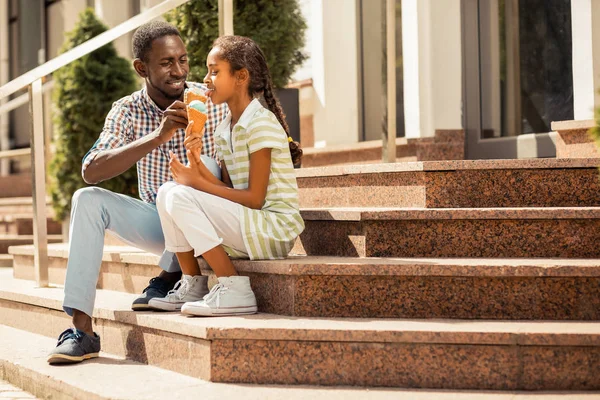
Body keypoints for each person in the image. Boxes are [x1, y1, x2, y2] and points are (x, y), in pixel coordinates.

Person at [47, 21, 228, 365]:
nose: (178, 71)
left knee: (200, 168)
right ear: (141, 68)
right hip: (160, 225)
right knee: (87, 200)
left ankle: (171, 274)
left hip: (213, 219)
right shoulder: (127, 109)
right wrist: (156, 137)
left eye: (183, 60)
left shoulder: (210, 98)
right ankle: (81, 332)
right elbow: (91, 170)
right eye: (166, 63)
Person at [147, 35, 305, 316]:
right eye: (208, 71)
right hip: (249, 223)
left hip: (273, 229)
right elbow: (227, 192)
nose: (206, 79)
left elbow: (254, 199)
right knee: (167, 192)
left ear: (241, 76)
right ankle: (193, 282)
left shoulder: (260, 124)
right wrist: (196, 166)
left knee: (181, 195)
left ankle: (234, 287)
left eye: (215, 71)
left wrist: (196, 183)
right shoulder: (224, 129)